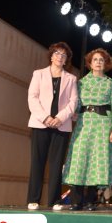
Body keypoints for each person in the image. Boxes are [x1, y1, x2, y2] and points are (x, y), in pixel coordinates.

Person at [62, 48, 112, 211]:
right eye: (95, 59)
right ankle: (76, 200)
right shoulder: (81, 83)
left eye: (102, 60)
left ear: (106, 63)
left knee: (98, 161)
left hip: (103, 125)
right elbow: (74, 104)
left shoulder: (110, 84)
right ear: (90, 63)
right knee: (80, 159)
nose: (98, 62)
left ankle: (90, 200)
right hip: (84, 123)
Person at [26, 42, 78, 210]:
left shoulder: (71, 78)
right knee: (37, 162)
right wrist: (46, 117)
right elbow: (32, 98)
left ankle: (55, 200)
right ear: (51, 55)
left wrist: (60, 118)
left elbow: (73, 102)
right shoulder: (38, 74)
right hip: (40, 124)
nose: (59, 57)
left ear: (66, 60)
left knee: (57, 164)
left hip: (61, 126)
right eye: (57, 53)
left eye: (63, 55)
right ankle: (33, 199)